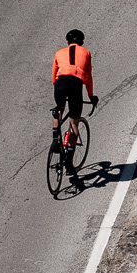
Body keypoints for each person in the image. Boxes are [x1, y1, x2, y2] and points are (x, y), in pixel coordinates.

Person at [52, 29, 98, 174]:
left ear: (67, 41)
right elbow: (88, 77)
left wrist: (59, 90)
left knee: (59, 108)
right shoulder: (86, 52)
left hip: (60, 83)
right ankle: (69, 162)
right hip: (75, 84)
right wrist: (91, 96)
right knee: (74, 122)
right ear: (82, 42)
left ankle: (55, 137)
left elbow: (53, 77)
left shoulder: (59, 52)